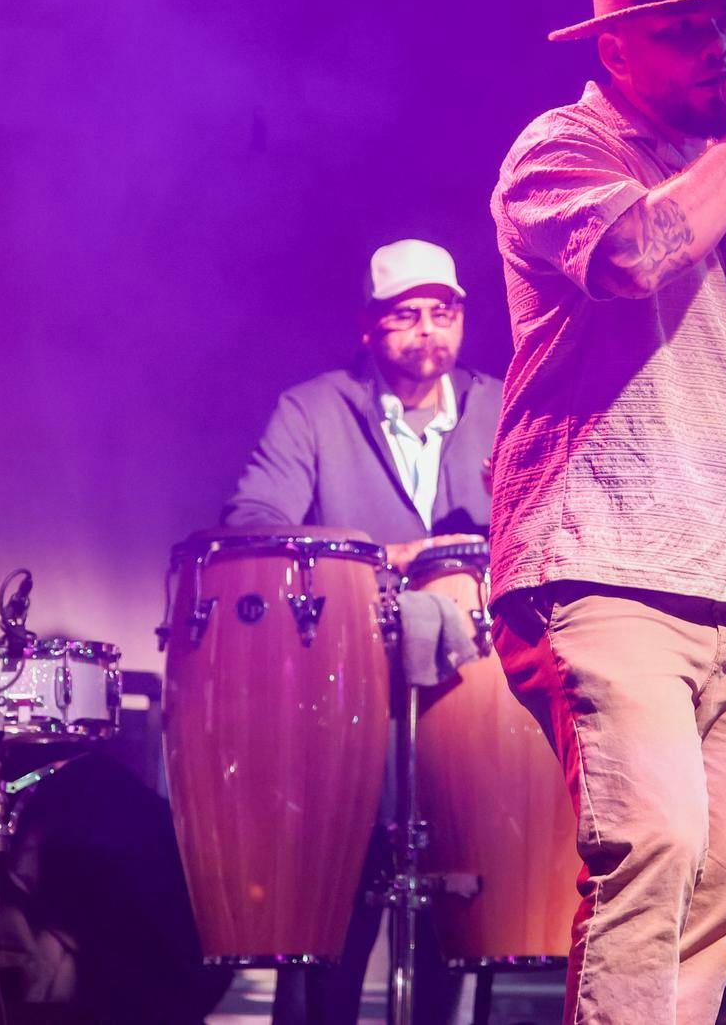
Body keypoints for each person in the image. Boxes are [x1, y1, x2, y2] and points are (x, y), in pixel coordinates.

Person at [488, 0, 726, 1024]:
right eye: (682, 29)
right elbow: (637, 254)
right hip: (600, 566)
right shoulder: (559, 153)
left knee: (721, 883)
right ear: (615, 49)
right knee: (655, 846)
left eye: (724, 24)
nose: (718, 51)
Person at [223, 237, 496, 1025]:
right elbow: (251, 524)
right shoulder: (313, 407)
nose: (427, 331)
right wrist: (378, 557)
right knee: (339, 897)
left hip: (470, 689)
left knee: (461, 897)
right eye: (406, 315)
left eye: (442, 312)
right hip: (346, 685)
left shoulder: (501, 405)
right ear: (371, 327)